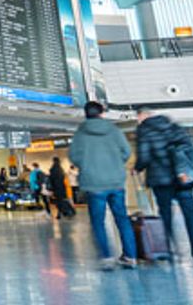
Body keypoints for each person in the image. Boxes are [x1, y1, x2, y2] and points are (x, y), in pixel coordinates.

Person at [135, 108, 193, 270]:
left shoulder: (144, 130)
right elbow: (190, 149)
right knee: (192, 218)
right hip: (182, 179)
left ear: (142, 116)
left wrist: (138, 168)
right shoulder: (174, 127)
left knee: (166, 217)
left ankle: (168, 252)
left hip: (161, 180)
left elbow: (144, 156)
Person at [70, 101, 138, 270]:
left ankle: (106, 257)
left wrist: (87, 166)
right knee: (122, 219)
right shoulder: (114, 130)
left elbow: (74, 156)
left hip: (94, 184)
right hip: (116, 182)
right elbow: (126, 152)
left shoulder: (80, 133)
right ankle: (130, 257)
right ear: (102, 113)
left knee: (98, 222)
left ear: (86, 114)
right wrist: (115, 164)